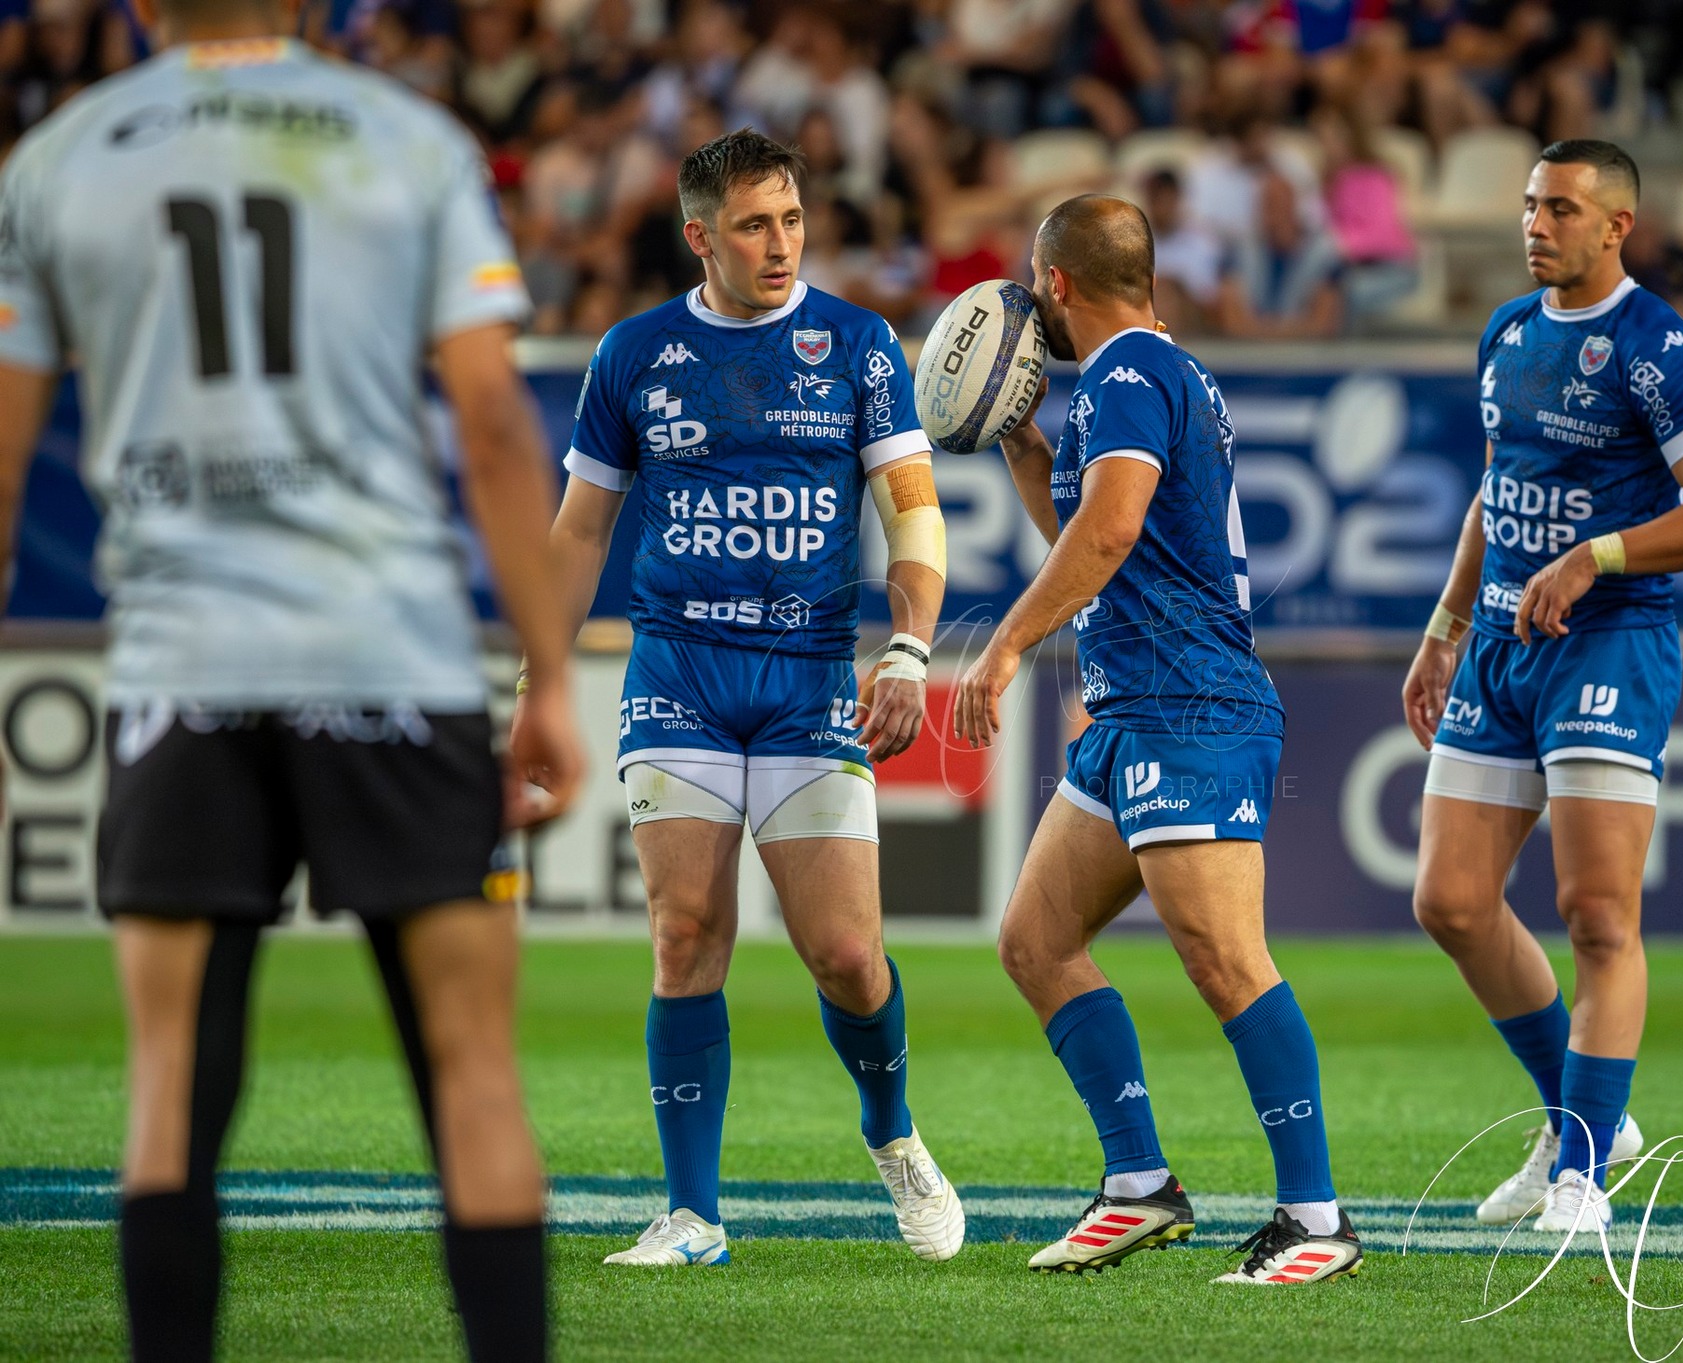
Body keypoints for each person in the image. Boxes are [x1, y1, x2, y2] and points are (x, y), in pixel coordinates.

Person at [0, 0, 588, 1356]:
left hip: (180, 669)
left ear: (147, 3)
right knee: (474, 1073)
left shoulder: (62, 156)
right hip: (392, 655)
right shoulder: (409, 139)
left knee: (166, 1095)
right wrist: (548, 671)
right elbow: (497, 424)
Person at [512, 127, 964, 1269]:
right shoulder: (632, 354)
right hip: (678, 675)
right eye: (755, 224)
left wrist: (909, 649)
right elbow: (577, 532)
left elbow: (912, 512)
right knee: (682, 933)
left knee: (848, 957)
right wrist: (539, 679)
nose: (780, 244)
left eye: (794, 220)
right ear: (698, 232)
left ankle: (892, 1130)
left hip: (810, 683)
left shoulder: (856, 345)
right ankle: (693, 1213)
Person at [953, 194, 1362, 1286]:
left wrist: (998, 650)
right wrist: (1023, 445)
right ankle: (1138, 1185)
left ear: (1054, 283)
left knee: (1225, 958)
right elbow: (1093, 535)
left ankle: (1315, 1217)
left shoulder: (1131, 377)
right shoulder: (1138, 379)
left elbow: (1112, 529)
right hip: (1136, 708)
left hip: (1190, 707)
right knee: (1034, 940)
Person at [1402, 140, 1683, 1234]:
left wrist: (1595, 555)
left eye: (1558, 208)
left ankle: (1579, 1173)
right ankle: (1584, 1120)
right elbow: (1494, 485)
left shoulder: (1656, 347)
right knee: (1449, 901)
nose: (1533, 225)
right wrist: (1443, 624)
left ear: (1616, 226)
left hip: (1606, 642)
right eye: (1526, 205)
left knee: (1596, 914)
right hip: (1500, 643)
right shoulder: (1507, 332)